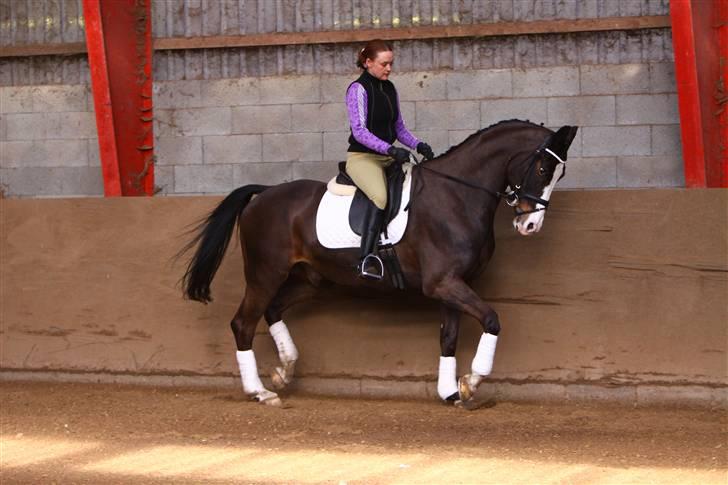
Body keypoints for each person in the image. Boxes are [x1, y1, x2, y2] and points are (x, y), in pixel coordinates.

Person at [345, 39, 434, 280]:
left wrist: (418, 144)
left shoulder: (390, 88)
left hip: (386, 156)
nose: (389, 69)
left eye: (391, 64)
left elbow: (400, 129)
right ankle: (366, 258)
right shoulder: (357, 90)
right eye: (384, 64)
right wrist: (390, 150)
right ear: (368, 62)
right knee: (380, 197)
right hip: (363, 158)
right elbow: (359, 132)